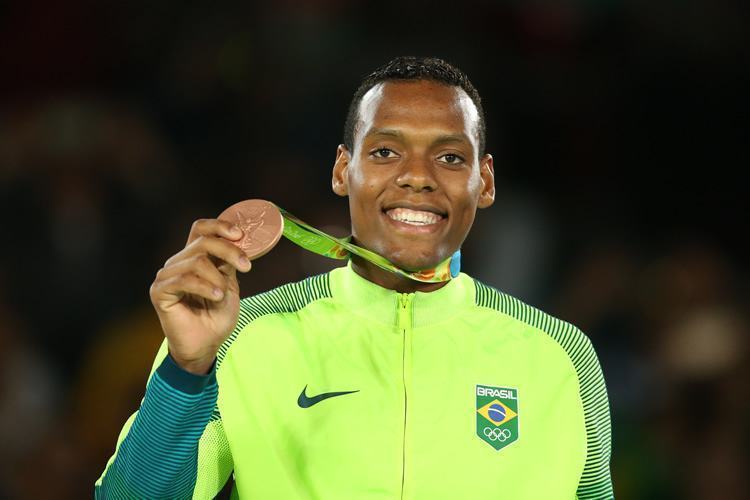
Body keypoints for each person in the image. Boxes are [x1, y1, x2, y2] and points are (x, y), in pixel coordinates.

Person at [96, 56, 613, 499]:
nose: (417, 175)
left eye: (451, 157)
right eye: (385, 152)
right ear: (344, 171)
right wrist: (187, 373)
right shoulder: (241, 336)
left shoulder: (562, 357)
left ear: (485, 182)